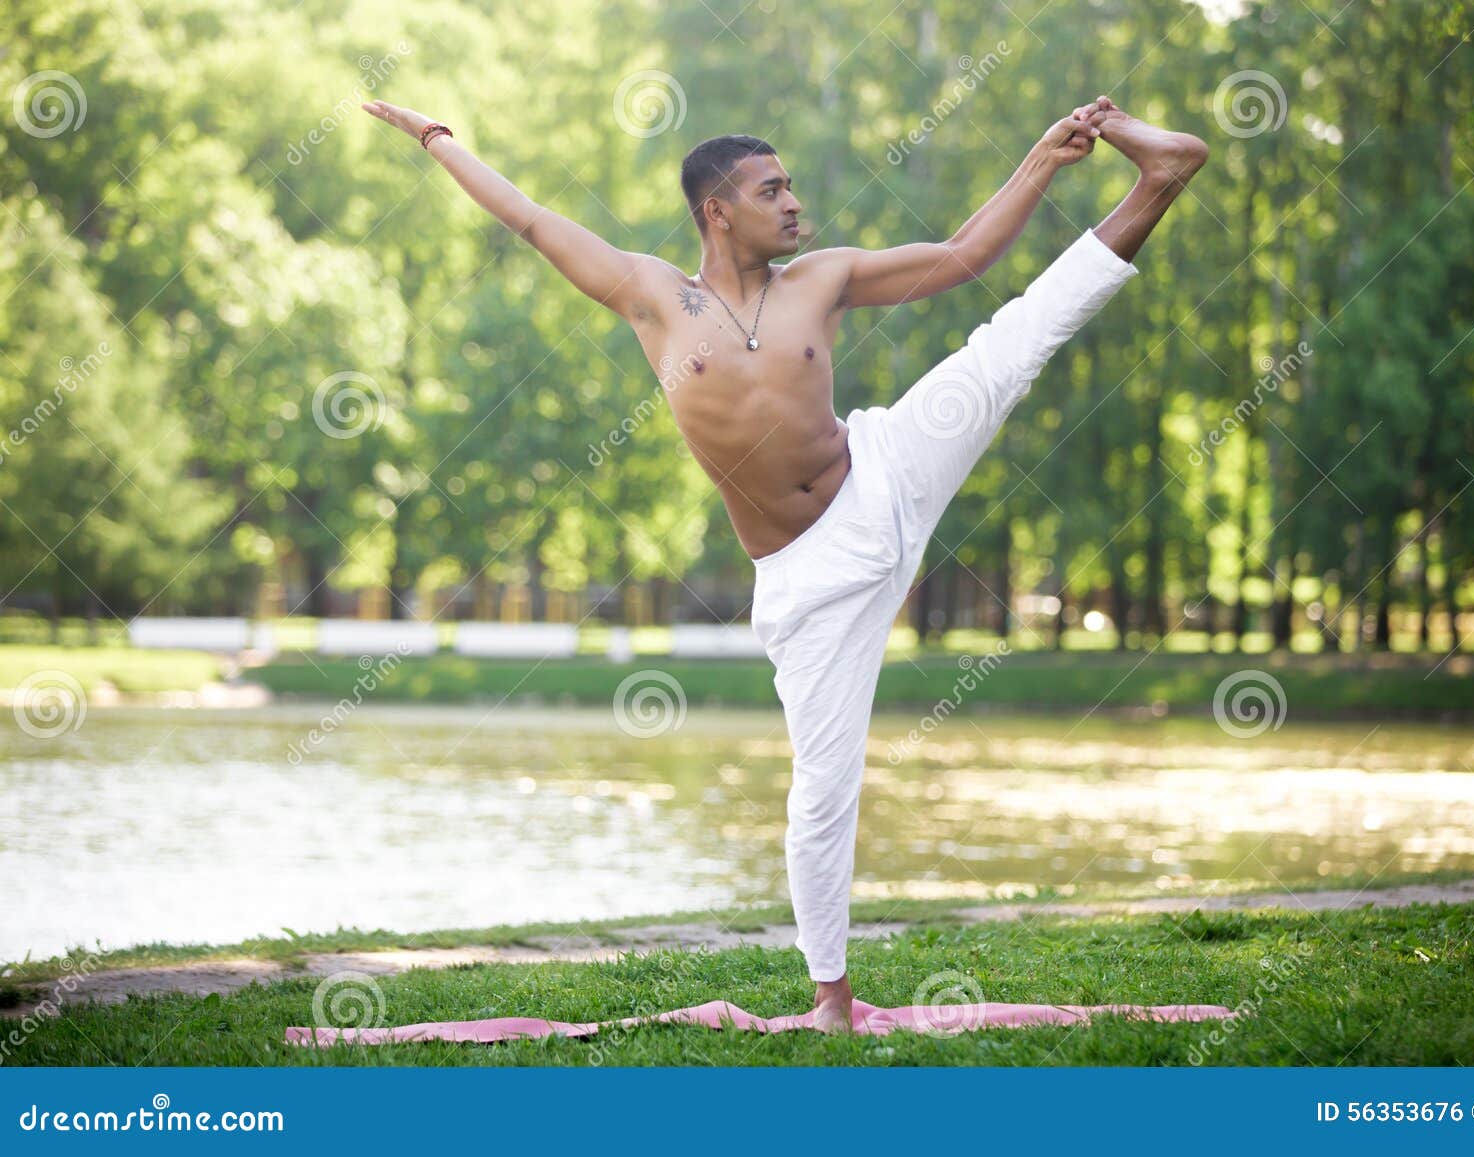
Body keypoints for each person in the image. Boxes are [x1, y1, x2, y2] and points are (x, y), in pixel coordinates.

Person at [364, 92, 1208, 1032]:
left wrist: (1042, 160)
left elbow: (964, 256)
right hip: (810, 578)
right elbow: (528, 217)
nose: (795, 203)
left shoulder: (823, 278)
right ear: (718, 210)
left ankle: (1158, 178)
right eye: (773, 190)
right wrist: (440, 138)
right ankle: (831, 997)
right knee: (823, 786)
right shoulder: (653, 296)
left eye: (793, 186)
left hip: (882, 471)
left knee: (1010, 347)